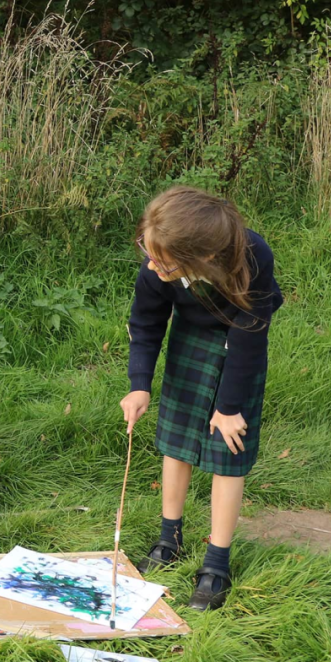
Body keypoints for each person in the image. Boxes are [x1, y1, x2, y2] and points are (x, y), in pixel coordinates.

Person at [121, 186, 282, 611]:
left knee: (228, 448)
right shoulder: (156, 267)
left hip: (242, 339)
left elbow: (249, 336)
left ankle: (216, 563)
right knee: (177, 443)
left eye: (162, 258)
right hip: (191, 338)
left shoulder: (253, 256)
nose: (152, 262)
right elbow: (146, 322)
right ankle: (168, 539)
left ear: (202, 256)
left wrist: (229, 408)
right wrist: (140, 384)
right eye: (148, 251)